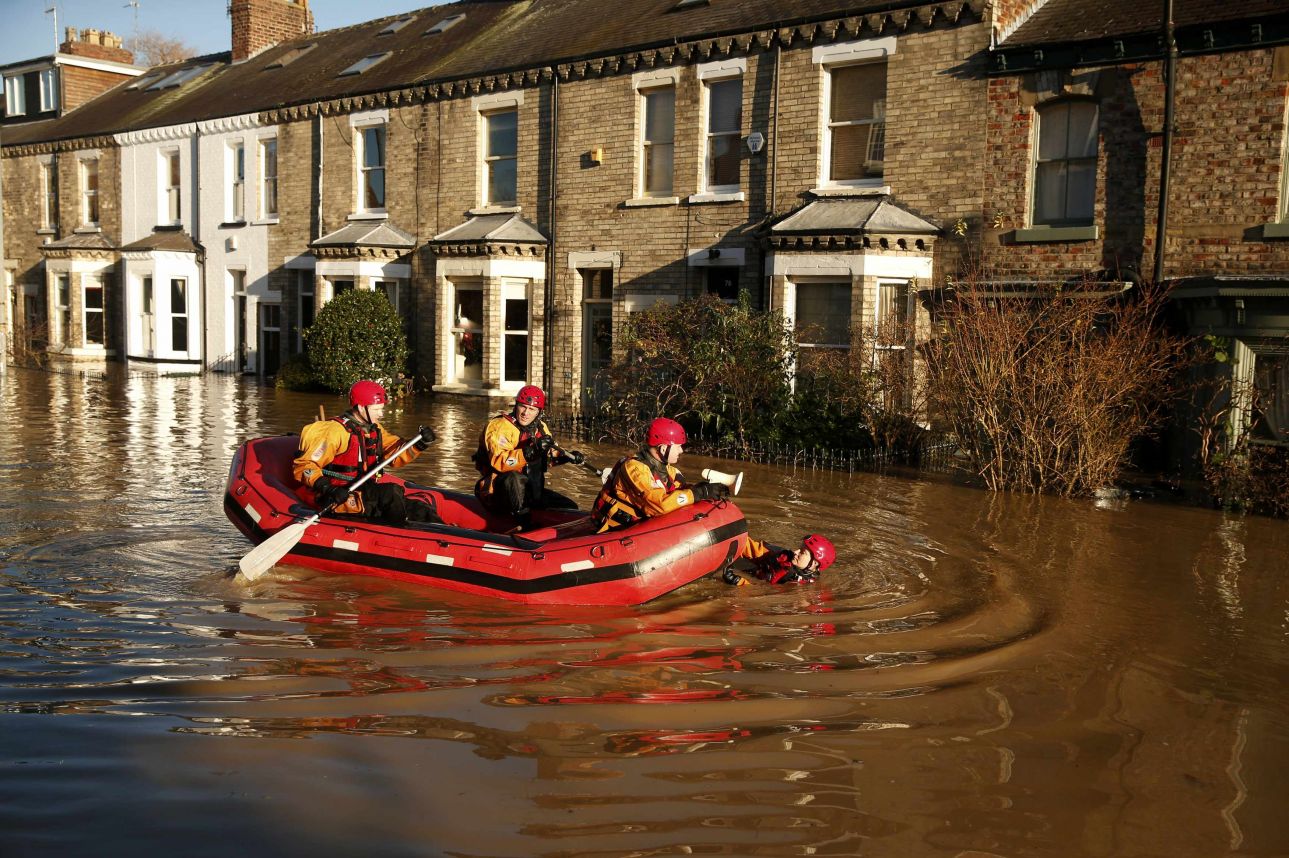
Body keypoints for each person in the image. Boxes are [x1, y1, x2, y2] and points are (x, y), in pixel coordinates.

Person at [292, 379, 440, 526]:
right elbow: (304, 466)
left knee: (421, 509)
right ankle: (399, 532)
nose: (381, 414)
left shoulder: (374, 429)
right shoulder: (334, 431)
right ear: (361, 407)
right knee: (390, 492)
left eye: (382, 409)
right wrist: (328, 488)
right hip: (336, 497)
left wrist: (419, 444)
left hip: (364, 492)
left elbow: (394, 456)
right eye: (376, 410)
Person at [473, 384, 584, 530]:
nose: (526, 413)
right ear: (516, 406)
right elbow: (500, 461)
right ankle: (524, 524)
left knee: (570, 507)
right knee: (514, 478)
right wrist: (528, 452)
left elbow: (548, 459)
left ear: (539, 412)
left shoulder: (541, 428)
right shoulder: (499, 426)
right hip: (498, 494)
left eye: (532, 409)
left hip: (530, 492)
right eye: (523, 407)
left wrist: (566, 457)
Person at [592, 417, 730, 532]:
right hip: (616, 530)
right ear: (663, 449)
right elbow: (659, 505)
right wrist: (698, 493)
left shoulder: (667, 469)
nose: (681, 451)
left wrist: (703, 489)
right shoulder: (635, 470)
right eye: (678, 446)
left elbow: (679, 492)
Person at [724, 533, 837, 585]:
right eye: (799, 549)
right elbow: (753, 549)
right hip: (761, 569)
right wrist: (732, 535)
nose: (795, 552)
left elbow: (762, 594)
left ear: (814, 564)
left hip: (759, 576)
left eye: (802, 552)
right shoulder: (783, 556)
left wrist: (738, 582)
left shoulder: (798, 586)